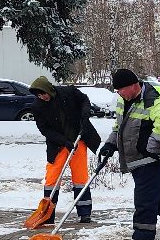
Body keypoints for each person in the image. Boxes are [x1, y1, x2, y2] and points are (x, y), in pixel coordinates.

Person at [103, 68, 160, 240]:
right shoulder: (122, 100)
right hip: (137, 158)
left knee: (144, 199)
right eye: (117, 90)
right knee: (151, 195)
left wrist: (150, 149)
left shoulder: (153, 100)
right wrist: (110, 143)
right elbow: (119, 126)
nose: (119, 93)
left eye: (121, 89)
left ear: (134, 85)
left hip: (153, 159)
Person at [26, 76, 105, 226]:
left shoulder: (68, 92)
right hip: (58, 144)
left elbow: (84, 100)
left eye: (43, 93)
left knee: (80, 177)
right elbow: (45, 129)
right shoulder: (37, 106)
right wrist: (64, 141)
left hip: (78, 139)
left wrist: (85, 113)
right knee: (52, 178)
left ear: (48, 89)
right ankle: (48, 215)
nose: (42, 97)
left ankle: (84, 213)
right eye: (38, 95)